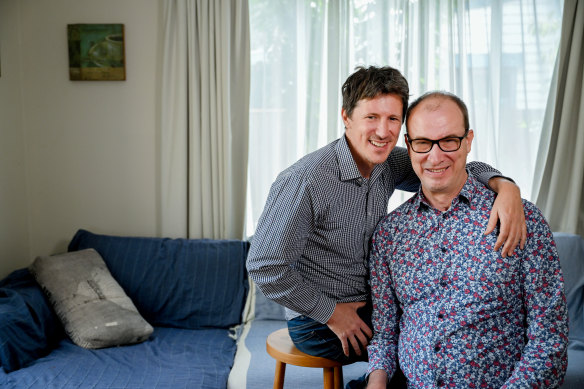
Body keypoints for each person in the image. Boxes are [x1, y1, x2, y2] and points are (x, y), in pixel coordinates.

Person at [246, 66, 526, 379]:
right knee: (436, 342)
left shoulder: (387, 163)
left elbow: (444, 163)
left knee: (455, 327)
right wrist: (332, 313)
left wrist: (504, 185)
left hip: (375, 306)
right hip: (320, 322)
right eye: (371, 117)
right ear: (346, 117)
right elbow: (264, 266)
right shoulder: (306, 180)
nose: (383, 131)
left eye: (393, 119)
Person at [366, 91, 568, 388]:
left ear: (468, 141)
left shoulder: (521, 218)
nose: (435, 157)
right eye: (423, 143)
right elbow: (385, 335)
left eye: (449, 140)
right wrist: (376, 381)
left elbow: (549, 340)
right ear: (408, 146)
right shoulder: (389, 233)